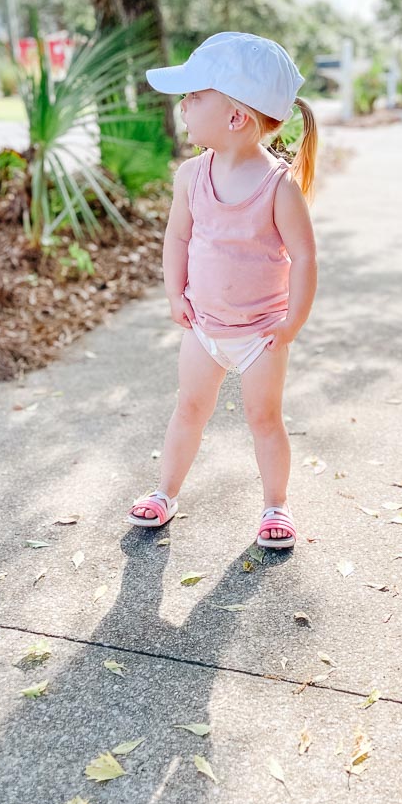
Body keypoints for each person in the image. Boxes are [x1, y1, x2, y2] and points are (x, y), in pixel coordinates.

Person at [126, 32, 318, 549]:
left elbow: (304, 257)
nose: (183, 107)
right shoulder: (191, 175)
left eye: (194, 97)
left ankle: (276, 505)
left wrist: (292, 322)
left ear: (236, 117)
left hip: (260, 334)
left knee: (264, 418)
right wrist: (175, 293)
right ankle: (165, 492)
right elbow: (179, 236)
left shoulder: (279, 187)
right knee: (189, 407)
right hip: (205, 327)